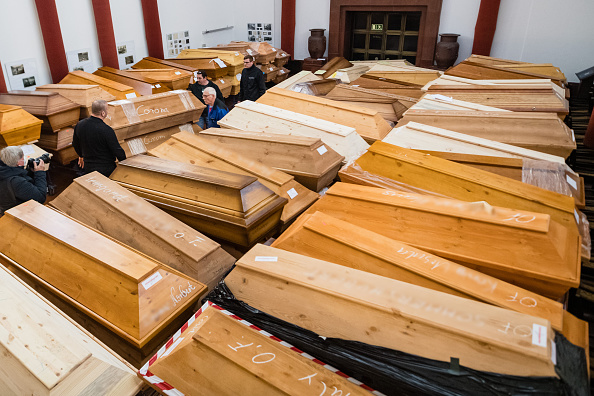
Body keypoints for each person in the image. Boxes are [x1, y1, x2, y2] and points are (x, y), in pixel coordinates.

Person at [72, 99, 126, 177]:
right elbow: (117, 150)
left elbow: (75, 143)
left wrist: (81, 155)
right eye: (107, 109)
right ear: (103, 113)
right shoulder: (106, 130)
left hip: (88, 167)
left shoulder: (80, 125)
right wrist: (124, 164)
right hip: (106, 169)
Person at [0, 146, 47, 215]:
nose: (24, 159)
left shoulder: (4, 170)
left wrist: (29, 171)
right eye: (22, 158)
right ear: (18, 163)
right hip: (15, 212)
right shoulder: (17, 182)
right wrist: (40, 173)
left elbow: (16, 173)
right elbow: (41, 198)